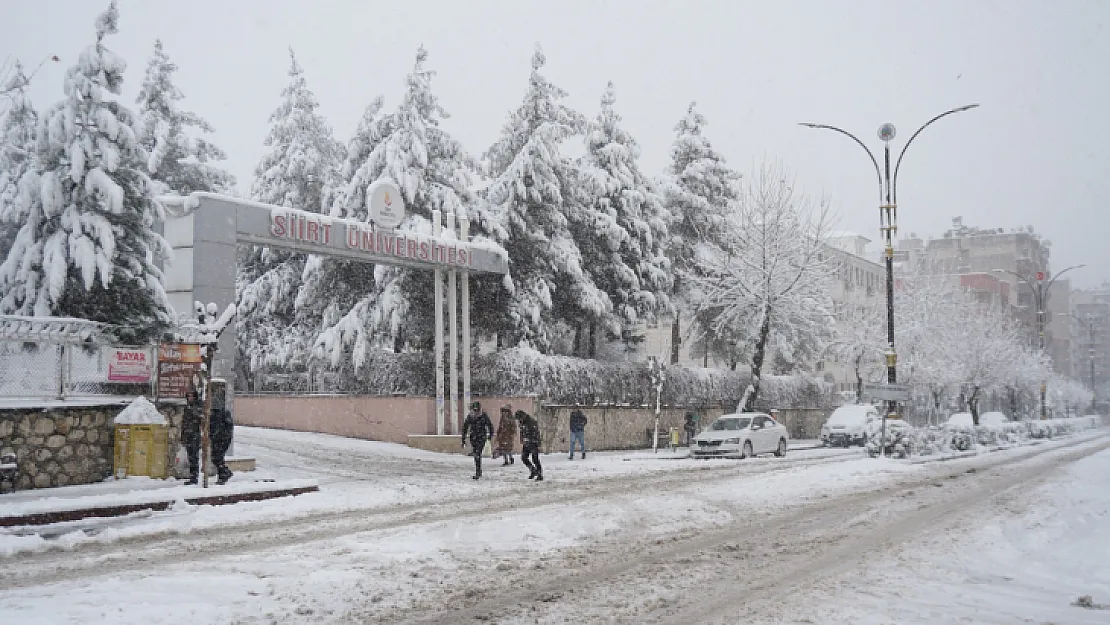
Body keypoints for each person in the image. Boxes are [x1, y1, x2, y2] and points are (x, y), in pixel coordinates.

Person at [209, 382, 234, 485]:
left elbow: (228, 427)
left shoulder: (223, 413)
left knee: (217, 457)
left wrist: (220, 434)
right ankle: (224, 473)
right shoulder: (212, 414)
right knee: (216, 457)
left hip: (222, 439)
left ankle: (224, 474)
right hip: (217, 439)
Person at [461, 402, 494, 480]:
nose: (476, 411)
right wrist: (463, 438)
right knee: (476, 453)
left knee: (477, 453)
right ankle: (478, 470)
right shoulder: (470, 416)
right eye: (474, 409)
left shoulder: (484, 415)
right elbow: (465, 427)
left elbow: (489, 425)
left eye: (477, 409)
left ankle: (478, 471)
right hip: (473, 437)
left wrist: (490, 435)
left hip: (481, 437)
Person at [182, 388, 203, 485]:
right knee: (190, 457)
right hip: (188, 435)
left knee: (194, 457)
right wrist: (183, 436)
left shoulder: (198, 407)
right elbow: (184, 422)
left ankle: (194, 477)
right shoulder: (187, 407)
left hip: (195, 435)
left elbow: (201, 420)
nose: (190, 398)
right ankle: (192, 476)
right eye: (189, 396)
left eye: (192, 396)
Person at [515, 409, 543, 482]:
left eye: (519, 418)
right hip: (526, 442)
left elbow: (535, 433)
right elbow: (522, 431)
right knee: (524, 458)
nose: (518, 420)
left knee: (535, 459)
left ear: (523, 416)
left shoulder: (531, 422)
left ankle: (540, 474)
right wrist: (522, 439)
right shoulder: (521, 422)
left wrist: (535, 442)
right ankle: (533, 470)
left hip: (533, 442)